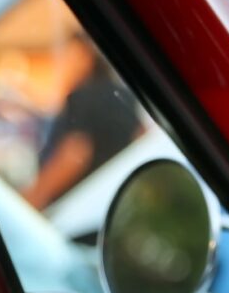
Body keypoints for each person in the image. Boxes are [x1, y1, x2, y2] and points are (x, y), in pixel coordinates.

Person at [23, 39, 142, 209]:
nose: (65, 64)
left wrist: (35, 198)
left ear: (86, 57)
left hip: (76, 202)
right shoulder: (123, 96)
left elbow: (75, 153)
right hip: (116, 197)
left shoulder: (82, 96)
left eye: (70, 57)